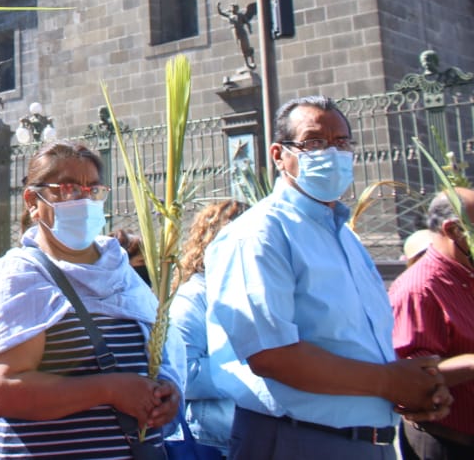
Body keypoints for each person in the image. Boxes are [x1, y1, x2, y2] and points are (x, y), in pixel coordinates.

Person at [206, 95, 453, 459]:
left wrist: (414, 387)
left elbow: (358, 344)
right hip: (299, 440)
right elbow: (271, 354)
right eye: (314, 142)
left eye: (341, 143)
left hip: (372, 440)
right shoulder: (261, 234)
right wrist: (388, 383)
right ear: (278, 155)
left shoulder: (344, 237)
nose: (332, 153)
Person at [0, 141, 183, 458]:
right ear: (33, 200)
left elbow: (156, 357)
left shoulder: (124, 275)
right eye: (68, 189)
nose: (84, 200)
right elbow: (2, 390)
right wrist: (110, 389)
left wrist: (167, 393)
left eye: (93, 190)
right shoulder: (20, 277)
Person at [390, 188, 474, 458]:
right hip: (448, 443)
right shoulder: (420, 288)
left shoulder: (466, 275)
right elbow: (411, 378)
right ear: (453, 230)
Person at [164, 199, 248, 458]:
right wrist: (255, 372)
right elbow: (184, 372)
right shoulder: (196, 295)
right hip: (212, 439)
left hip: (250, 433)